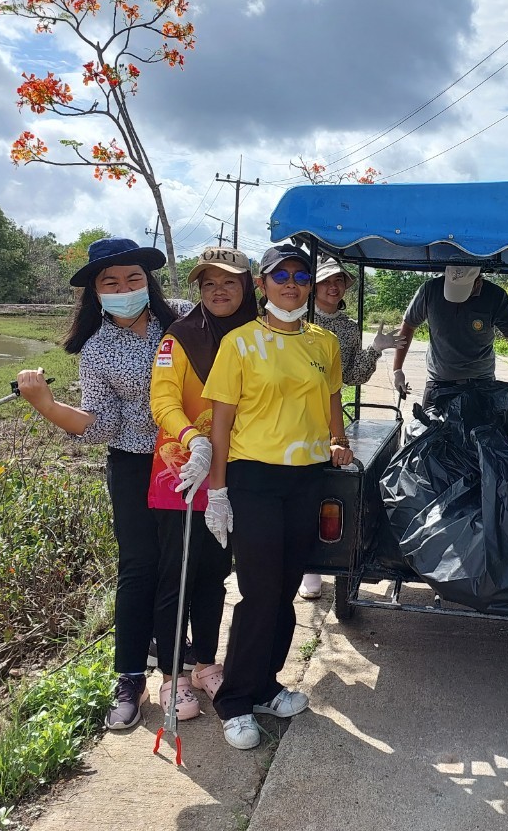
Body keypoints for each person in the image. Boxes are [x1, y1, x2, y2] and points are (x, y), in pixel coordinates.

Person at [15, 237, 191, 731]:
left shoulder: (182, 318)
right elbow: (102, 426)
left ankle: (177, 668)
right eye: (110, 282)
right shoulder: (95, 349)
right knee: (139, 567)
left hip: (189, 459)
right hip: (135, 465)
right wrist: (47, 405)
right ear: (95, 292)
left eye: (134, 278)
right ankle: (130, 676)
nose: (124, 288)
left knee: (180, 565)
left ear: (148, 280)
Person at [203, 244, 353, 750]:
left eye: (300, 275)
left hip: (306, 478)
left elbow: (331, 396)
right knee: (261, 591)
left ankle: (267, 685)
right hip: (254, 478)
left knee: (286, 589)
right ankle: (235, 701)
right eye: (280, 275)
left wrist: (338, 438)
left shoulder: (322, 343)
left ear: (310, 286)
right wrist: (218, 489)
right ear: (261, 285)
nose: (291, 283)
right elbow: (221, 420)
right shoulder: (240, 343)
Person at [148, 246, 257, 720]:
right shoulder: (179, 338)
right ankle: (171, 677)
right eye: (208, 282)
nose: (218, 290)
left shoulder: (262, 337)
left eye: (229, 281)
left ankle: (205, 664)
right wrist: (194, 439)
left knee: (215, 575)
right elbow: (164, 399)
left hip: (236, 475)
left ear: (248, 286)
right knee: (177, 575)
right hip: (184, 471)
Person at [297, 257, 396, 600]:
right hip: (296, 416)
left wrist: (375, 350)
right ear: (315, 286)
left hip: (331, 416)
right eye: (326, 281)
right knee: (299, 488)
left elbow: (352, 376)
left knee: (323, 488)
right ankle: (307, 566)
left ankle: (321, 559)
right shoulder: (299, 320)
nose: (333, 287)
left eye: (339, 281)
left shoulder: (349, 328)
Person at [391, 265, 508, 411]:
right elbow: (408, 326)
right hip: (439, 383)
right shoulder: (430, 290)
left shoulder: (495, 296)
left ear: (478, 281)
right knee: (428, 430)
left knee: (481, 432)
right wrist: (397, 370)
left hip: (480, 384)